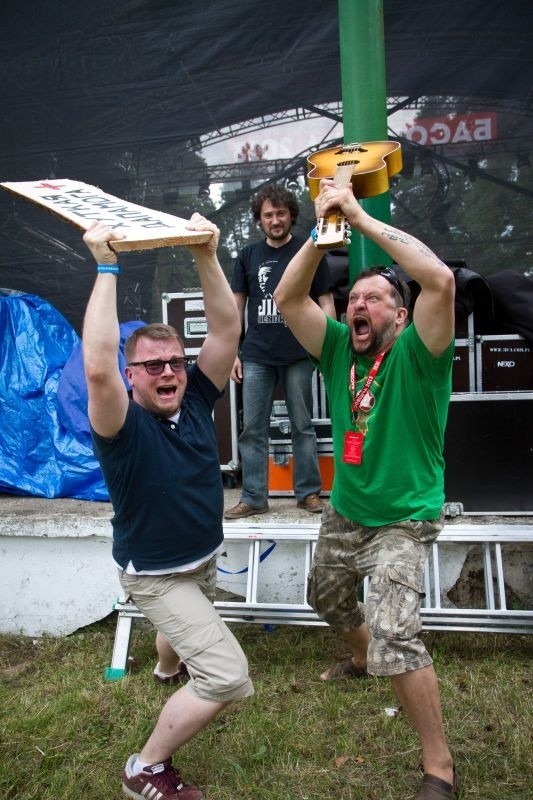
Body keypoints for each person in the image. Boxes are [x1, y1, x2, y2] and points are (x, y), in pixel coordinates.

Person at [273, 180, 459, 800]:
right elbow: (287, 295)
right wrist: (325, 227)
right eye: (353, 298)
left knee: (395, 631)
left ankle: (440, 768)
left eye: (375, 299)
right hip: (347, 510)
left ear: (400, 315)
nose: (360, 305)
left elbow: (439, 280)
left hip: (405, 518)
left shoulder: (421, 351)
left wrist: (359, 215)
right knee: (325, 598)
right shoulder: (333, 351)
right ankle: (359, 659)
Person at [82, 216, 254, 800]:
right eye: (152, 366)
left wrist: (207, 251)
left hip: (202, 556)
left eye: (175, 361)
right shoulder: (121, 426)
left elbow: (228, 331)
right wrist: (106, 266)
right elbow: (98, 364)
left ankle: (164, 667)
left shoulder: (197, 394)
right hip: (156, 574)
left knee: (177, 637)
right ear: (133, 378)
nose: (167, 373)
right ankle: (146, 767)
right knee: (226, 674)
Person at [224, 183, 336, 520]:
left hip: (300, 352)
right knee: (252, 429)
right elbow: (235, 309)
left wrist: (329, 344)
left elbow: (326, 300)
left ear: (291, 216)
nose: (275, 219)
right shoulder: (247, 256)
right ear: (260, 220)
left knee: (303, 425)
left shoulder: (310, 250)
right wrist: (232, 352)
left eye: (281, 213)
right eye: (268, 214)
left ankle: (308, 494)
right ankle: (254, 497)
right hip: (256, 354)